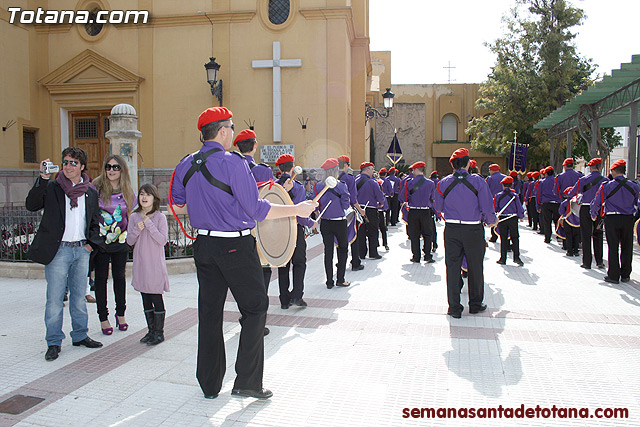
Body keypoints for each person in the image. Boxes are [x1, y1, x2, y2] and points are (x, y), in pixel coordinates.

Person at [169, 107, 317, 400]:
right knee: (255, 308)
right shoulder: (233, 163)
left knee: (209, 312)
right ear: (223, 131)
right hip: (235, 246)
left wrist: (208, 208)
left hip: (204, 246)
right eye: (232, 128)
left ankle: (209, 385)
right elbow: (258, 210)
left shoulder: (185, 164)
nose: (232, 133)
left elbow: (179, 204)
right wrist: (297, 210)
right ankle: (247, 382)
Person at [26, 147, 103, 361]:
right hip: (58, 251)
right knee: (55, 299)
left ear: (82, 167)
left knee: (79, 298)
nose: (68, 166)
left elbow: (95, 221)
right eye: (65, 162)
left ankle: (80, 335)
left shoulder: (90, 191)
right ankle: (53, 341)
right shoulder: (52, 187)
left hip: (81, 250)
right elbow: (31, 204)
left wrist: (90, 245)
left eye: (73, 163)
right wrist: (42, 178)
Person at [435, 148, 497, 319]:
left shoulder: (443, 183)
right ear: (468, 163)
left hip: (452, 229)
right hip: (473, 229)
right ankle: (476, 304)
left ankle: (454, 307)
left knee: (452, 267)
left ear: (452, 165)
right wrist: (491, 220)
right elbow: (486, 205)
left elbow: (438, 208)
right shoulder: (478, 181)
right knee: (476, 266)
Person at [234, 129, 280, 334]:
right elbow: (269, 198)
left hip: (238, 230)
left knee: (242, 278)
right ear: (254, 146)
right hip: (260, 228)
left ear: (237, 146)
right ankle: (258, 322)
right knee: (262, 275)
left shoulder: (230, 166)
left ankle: (245, 316)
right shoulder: (263, 170)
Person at [91, 154, 136, 335]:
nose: (111, 170)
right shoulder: (96, 188)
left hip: (120, 241)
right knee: (100, 280)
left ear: (122, 170)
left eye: (116, 167)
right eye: (108, 167)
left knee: (119, 278)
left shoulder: (127, 191)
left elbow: (132, 215)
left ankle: (121, 314)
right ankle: (103, 317)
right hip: (100, 242)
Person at [127, 184, 169, 346]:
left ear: (154, 198)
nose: (144, 198)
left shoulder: (160, 217)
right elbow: (130, 241)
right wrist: (137, 229)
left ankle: (159, 333)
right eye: (142, 194)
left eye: (148, 195)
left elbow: (162, 240)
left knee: (155, 296)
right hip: (141, 263)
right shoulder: (133, 217)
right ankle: (151, 331)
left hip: (155, 263)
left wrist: (149, 224)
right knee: (145, 296)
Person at [275, 154, 316, 308]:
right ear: (293, 167)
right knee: (299, 263)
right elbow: (301, 213)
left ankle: (284, 300)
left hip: (279, 229)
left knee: (283, 263)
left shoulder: (273, 185)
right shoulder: (298, 187)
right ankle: (297, 296)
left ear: (278, 168)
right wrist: (312, 222)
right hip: (295, 229)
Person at [591, 159, 640, 284]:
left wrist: (593, 213)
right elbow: (638, 203)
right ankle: (625, 275)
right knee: (627, 246)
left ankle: (613, 275)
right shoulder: (634, 186)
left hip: (612, 219)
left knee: (613, 246)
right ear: (624, 171)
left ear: (613, 171)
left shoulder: (607, 186)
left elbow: (598, 201)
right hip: (628, 219)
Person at [567, 158, 607, 270]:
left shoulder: (583, 179)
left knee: (585, 235)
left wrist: (569, 193)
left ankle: (587, 262)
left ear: (590, 168)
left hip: (585, 208)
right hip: (599, 209)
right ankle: (599, 261)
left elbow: (573, 192)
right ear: (600, 167)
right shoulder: (605, 180)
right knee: (598, 234)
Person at [316, 158, 351, 288]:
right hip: (339, 223)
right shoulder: (341, 185)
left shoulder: (319, 185)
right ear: (336, 170)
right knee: (342, 250)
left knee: (328, 252)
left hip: (325, 223)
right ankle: (340, 279)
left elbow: (316, 205)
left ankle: (329, 281)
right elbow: (346, 205)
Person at [400, 161, 436, 263]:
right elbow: (432, 198)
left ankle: (416, 256)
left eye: (413, 170)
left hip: (413, 211)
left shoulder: (409, 183)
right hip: (425, 211)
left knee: (414, 234)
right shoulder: (430, 183)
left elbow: (403, 197)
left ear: (416, 170)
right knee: (428, 234)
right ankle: (428, 255)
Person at [337, 155, 366, 271]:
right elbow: (353, 199)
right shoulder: (349, 178)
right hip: (348, 211)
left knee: (339, 239)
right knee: (354, 236)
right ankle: (355, 262)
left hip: (336, 212)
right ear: (345, 165)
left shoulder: (333, 177)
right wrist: (361, 210)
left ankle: (340, 262)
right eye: (348, 165)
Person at [355, 162, 386, 260]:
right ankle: (373, 253)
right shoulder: (372, 182)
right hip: (371, 209)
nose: (373, 171)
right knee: (373, 231)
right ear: (367, 169)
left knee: (361, 232)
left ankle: (361, 253)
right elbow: (380, 196)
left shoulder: (355, 181)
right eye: (372, 169)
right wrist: (381, 203)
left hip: (358, 209)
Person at [494, 176, 524, 266]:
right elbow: (519, 207)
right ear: (511, 185)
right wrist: (521, 216)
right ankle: (517, 258)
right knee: (515, 238)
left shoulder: (498, 195)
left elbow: (496, 208)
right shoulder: (515, 196)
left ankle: (503, 259)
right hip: (513, 218)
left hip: (503, 218)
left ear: (503, 185)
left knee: (503, 238)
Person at [536, 166, 561, 244]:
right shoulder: (557, 180)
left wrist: (538, 205)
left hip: (546, 203)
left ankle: (547, 238)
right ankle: (559, 235)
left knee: (547, 221)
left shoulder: (542, 182)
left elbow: (538, 194)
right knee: (557, 220)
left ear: (546, 173)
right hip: (556, 203)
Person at [486, 164, 506, 242]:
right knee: (503, 218)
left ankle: (494, 236)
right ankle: (504, 236)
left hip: (493, 201)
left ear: (492, 170)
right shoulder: (505, 177)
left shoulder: (490, 179)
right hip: (504, 200)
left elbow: (486, 190)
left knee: (494, 218)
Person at [559, 187, 580, 257]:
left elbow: (561, 211)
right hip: (577, 221)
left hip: (567, 220)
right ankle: (576, 251)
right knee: (576, 236)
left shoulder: (565, 202)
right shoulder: (578, 201)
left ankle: (569, 251)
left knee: (568, 235)